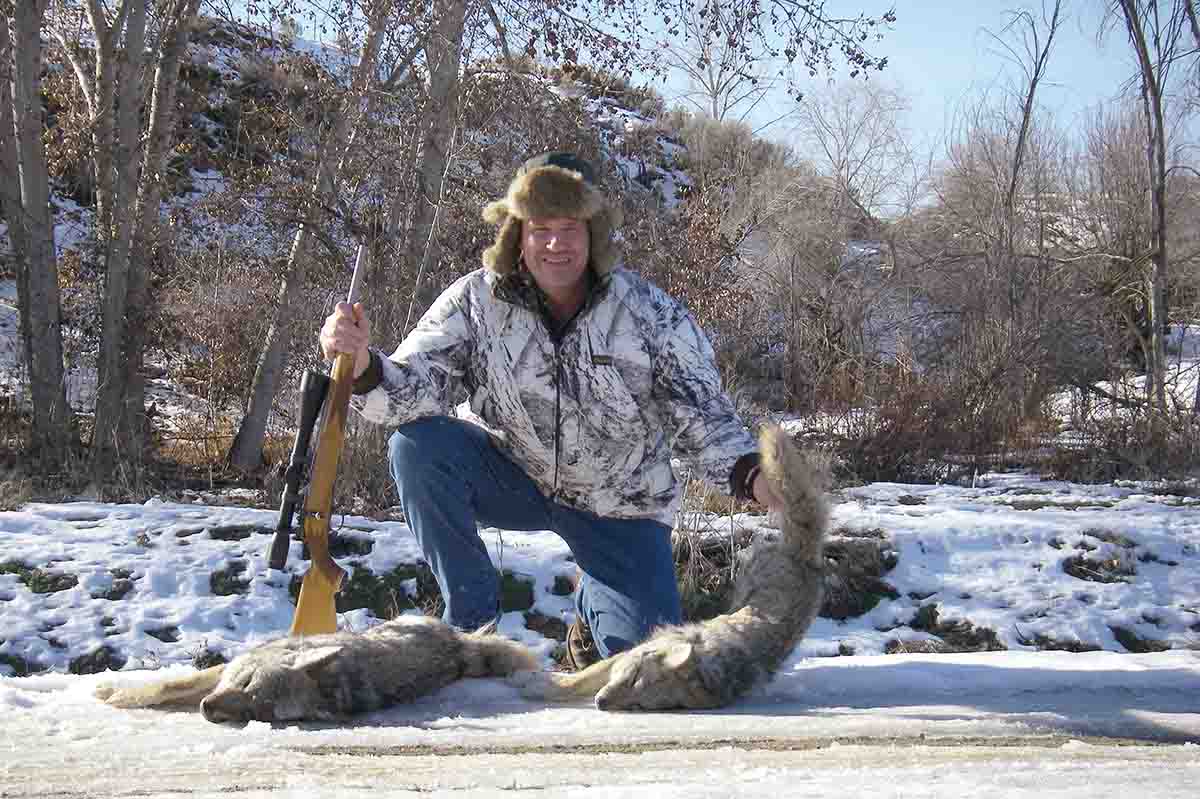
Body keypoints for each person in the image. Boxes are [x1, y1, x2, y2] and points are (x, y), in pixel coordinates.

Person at [319, 151, 781, 669]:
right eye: (541, 228)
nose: (556, 244)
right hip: (518, 478)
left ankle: (594, 605)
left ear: (594, 234)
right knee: (418, 447)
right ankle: (471, 624)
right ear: (517, 234)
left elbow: (704, 419)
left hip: (620, 509)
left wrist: (759, 478)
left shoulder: (650, 312)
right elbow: (415, 389)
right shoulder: (475, 301)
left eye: (570, 228)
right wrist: (361, 364)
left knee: (647, 670)